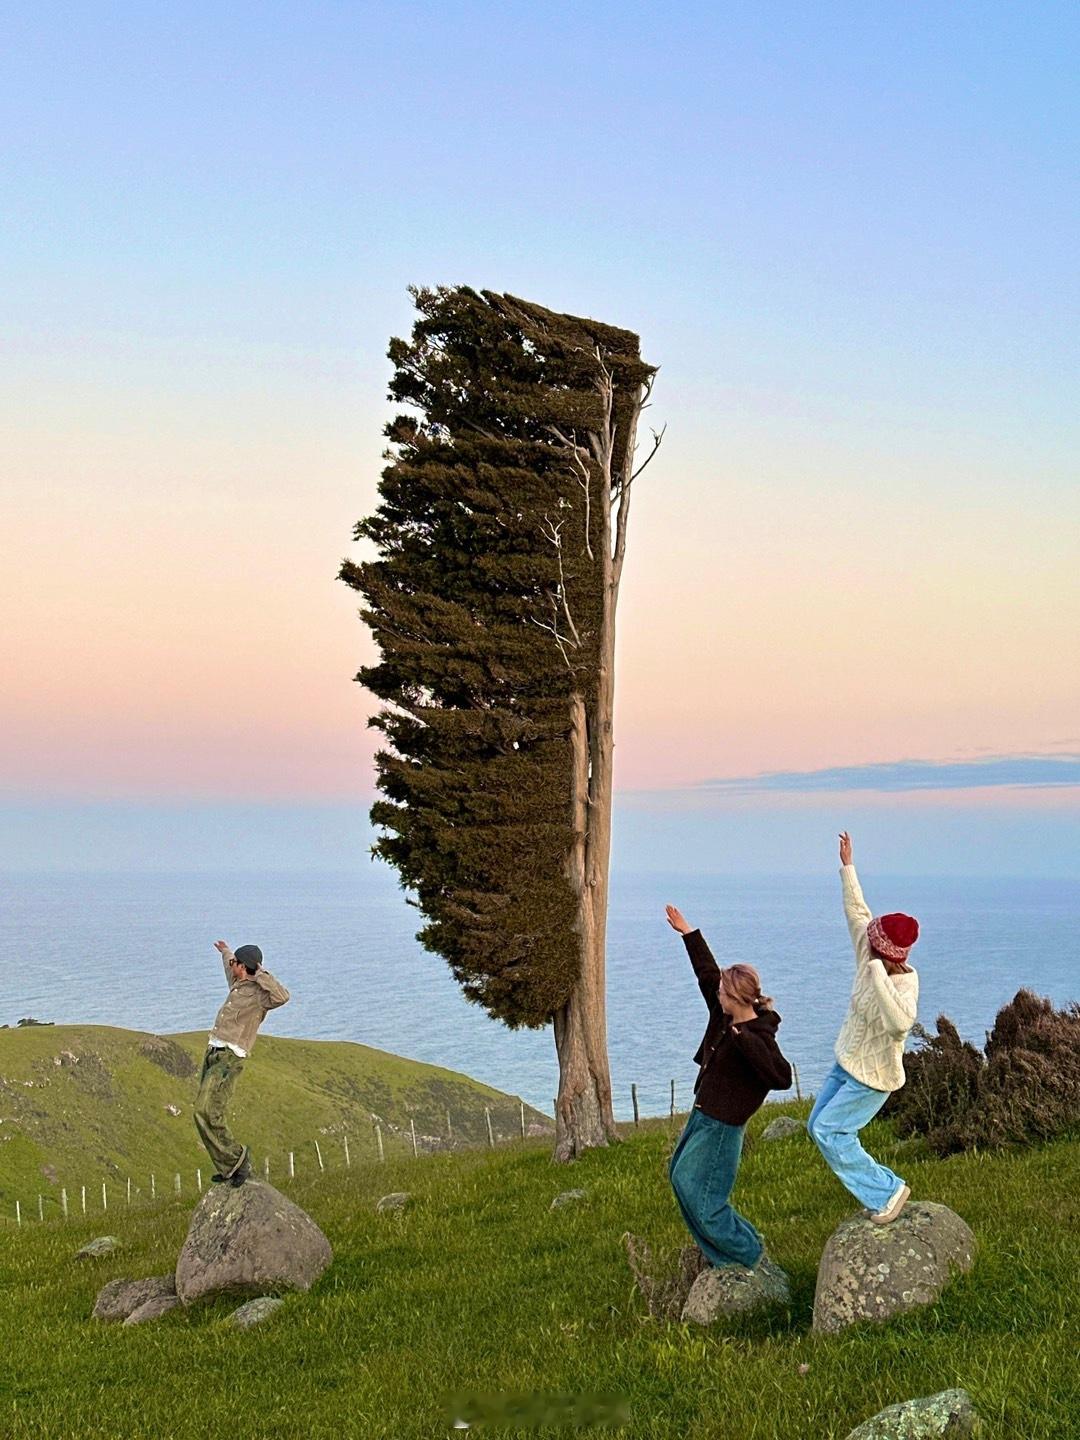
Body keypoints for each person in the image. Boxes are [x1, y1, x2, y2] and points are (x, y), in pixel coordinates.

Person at [664, 904, 793, 1268]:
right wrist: (688, 932)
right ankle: (725, 1257)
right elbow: (707, 973)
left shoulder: (757, 1036)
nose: (716, 993)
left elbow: (781, 1077)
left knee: (704, 1199)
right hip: (702, 1115)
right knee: (680, 1180)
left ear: (735, 999)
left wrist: (744, 1040)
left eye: (722, 991)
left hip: (722, 1128)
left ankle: (751, 1258)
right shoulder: (723, 1015)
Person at [807, 832, 919, 1224]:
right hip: (846, 1063)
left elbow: (900, 1024)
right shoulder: (867, 950)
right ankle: (884, 1185)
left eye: (874, 943)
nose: (866, 940)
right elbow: (858, 913)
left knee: (832, 1133)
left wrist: (877, 973)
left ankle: (887, 1192)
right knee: (816, 1127)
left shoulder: (904, 985)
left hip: (873, 1077)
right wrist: (848, 866)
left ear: (886, 953)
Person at [193, 939, 290, 1187]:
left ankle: (238, 1160)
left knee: (205, 1110)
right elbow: (229, 963)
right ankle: (229, 1167)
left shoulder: (259, 996)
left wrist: (261, 973)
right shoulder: (237, 984)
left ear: (245, 966)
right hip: (213, 1051)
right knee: (204, 1113)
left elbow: (282, 996)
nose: (231, 965)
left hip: (229, 1057)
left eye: (235, 962)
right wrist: (225, 951)